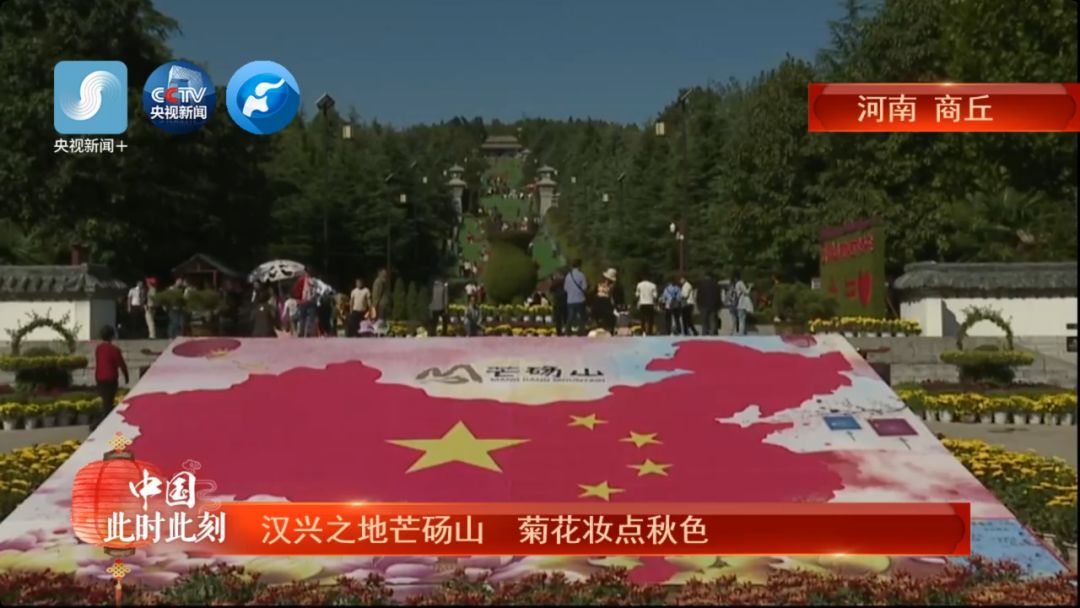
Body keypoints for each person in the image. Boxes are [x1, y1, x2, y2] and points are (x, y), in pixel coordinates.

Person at [95, 325, 128, 417]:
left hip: (100, 377)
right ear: (112, 336)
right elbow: (122, 364)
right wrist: (126, 376)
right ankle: (104, 419)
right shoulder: (115, 350)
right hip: (111, 378)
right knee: (109, 400)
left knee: (105, 400)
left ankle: (105, 417)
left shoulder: (99, 349)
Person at [563, 259, 589, 336]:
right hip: (580, 299)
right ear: (579, 265)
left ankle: (568, 331)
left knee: (570, 317)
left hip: (570, 300)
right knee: (581, 317)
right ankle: (581, 331)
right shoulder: (581, 275)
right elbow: (584, 287)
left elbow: (565, 288)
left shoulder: (568, 276)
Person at [732, 271, 754, 336]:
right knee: (742, 320)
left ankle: (741, 333)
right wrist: (750, 287)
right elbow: (746, 292)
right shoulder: (740, 283)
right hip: (742, 304)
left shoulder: (736, 284)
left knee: (740, 319)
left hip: (739, 304)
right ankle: (741, 334)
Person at [549, 272, 568, 337]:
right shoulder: (565, 281)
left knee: (558, 319)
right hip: (565, 301)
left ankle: (559, 332)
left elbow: (551, 290)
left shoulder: (555, 282)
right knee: (565, 317)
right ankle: (566, 330)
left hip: (557, 302)